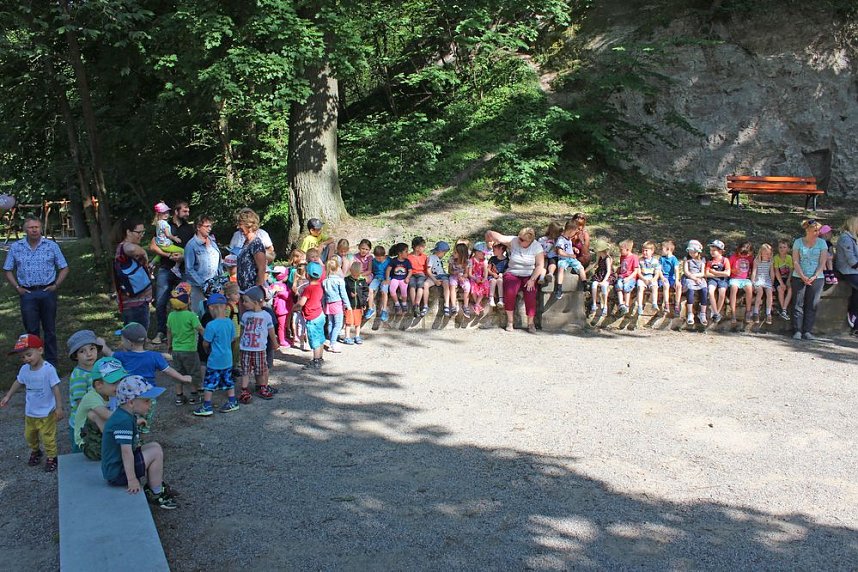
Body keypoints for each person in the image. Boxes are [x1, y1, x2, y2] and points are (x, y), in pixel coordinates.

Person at [101, 376, 176, 509]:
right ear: (130, 402)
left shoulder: (124, 415)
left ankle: (155, 486)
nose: (150, 403)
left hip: (117, 466)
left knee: (155, 446)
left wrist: (136, 422)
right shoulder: (122, 421)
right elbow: (126, 452)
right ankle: (156, 493)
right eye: (146, 401)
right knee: (155, 452)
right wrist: (131, 479)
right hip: (118, 473)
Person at [3, 216, 69, 365]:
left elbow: (64, 267)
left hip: (47, 292)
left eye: (37, 227)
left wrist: (56, 285)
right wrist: (17, 288)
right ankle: (34, 361)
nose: (34, 230)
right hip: (28, 294)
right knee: (31, 329)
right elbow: (7, 269)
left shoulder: (51, 246)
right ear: (25, 230)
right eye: (31, 227)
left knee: (49, 328)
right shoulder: (16, 247)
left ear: (41, 228)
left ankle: (51, 362)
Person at [0, 334, 64, 472]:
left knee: (48, 436)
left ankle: (52, 457)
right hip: (30, 412)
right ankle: (36, 451)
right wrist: (8, 396)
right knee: (30, 435)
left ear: (40, 350)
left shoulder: (48, 369)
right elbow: (18, 382)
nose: (26, 359)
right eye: (22, 357)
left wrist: (59, 407)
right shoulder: (24, 369)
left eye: (29, 355)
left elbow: (56, 388)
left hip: (47, 412)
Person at [114, 322, 192, 432]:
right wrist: (183, 378)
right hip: (148, 395)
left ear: (129, 342)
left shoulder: (121, 356)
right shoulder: (154, 356)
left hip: (129, 395)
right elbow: (168, 370)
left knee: (128, 420)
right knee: (144, 423)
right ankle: (141, 435)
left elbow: (109, 354)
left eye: (122, 339)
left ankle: (131, 437)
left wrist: (102, 344)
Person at [484, 227, 545, 333]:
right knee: (510, 293)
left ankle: (531, 323)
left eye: (522, 240)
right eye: (519, 238)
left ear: (529, 240)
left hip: (529, 274)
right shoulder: (514, 240)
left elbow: (540, 265)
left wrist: (532, 279)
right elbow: (494, 235)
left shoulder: (536, 246)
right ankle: (510, 322)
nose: (519, 240)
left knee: (531, 295)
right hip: (513, 273)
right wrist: (488, 238)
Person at [149, 201, 194, 345]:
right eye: (185, 211)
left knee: (184, 301)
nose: (187, 214)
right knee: (161, 301)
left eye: (188, 211)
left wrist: (183, 257)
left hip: (184, 269)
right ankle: (161, 332)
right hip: (165, 268)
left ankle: (183, 333)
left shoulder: (190, 229)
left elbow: (193, 249)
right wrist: (167, 255)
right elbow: (153, 246)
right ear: (176, 211)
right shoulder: (164, 225)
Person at [67, 330, 113, 452]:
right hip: (83, 421)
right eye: (82, 351)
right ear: (75, 356)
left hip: (97, 415)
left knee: (98, 447)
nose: (89, 354)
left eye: (92, 349)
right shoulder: (79, 376)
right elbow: (80, 402)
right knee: (83, 449)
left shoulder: (98, 369)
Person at [72, 356, 126, 460]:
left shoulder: (111, 393)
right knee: (95, 414)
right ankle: (111, 445)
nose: (120, 386)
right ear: (99, 384)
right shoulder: (91, 397)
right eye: (115, 382)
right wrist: (131, 418)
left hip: (100, 434)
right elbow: (107, 415)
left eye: (121, 381)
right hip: (88, 442)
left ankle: (113, 444)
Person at [195, 293, 240, 415]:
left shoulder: (211, 325)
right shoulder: (230, 322)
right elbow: (233, 338)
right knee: (228, 381)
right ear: (225, 307)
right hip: (227, 359)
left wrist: (207, 349)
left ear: (210, 308)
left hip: (214, 360)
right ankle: (232, 401)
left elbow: (206, 342)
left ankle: (207, 405)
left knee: (209, 383)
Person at [238, 286, 278, 400]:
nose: (244, 303)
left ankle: (262, 387)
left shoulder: (266, 316)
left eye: (246, 301)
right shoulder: (245, 315)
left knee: (261, 369)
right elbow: (242, 330)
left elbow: (271, 330)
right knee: (245, 370)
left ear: (255, 302)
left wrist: (275, 343)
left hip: (259, 349)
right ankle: (244, 389)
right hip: (246, 348)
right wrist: (240, 342)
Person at [167, 283, 204, 405]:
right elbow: (200, 329)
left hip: (176, 351)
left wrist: (169, 345)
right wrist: (209, 338)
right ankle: (194, 396)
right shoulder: (191, 316)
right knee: (193, 373)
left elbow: (169, 332)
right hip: (190, 351)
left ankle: (179, 397)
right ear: (188, 301)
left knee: (178, 374)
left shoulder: (171, 316)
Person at [791, 219, 828, 340]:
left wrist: (814, 276)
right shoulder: (798, 242)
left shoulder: (822, 243)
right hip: (799, 276)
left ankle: (807, 331)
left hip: (817, 278)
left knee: (812, 304)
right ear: (808, 230)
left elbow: (823, 262)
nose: (817, 233)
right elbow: (795, 261)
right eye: (815, 230)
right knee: (798, 303)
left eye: (818, 230)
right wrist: (802, 276)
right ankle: (797, 330)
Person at [115, 218, 153, 332]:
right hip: (135, 306)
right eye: (138, 232)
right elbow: (131, 248)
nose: (141, 235)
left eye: (143, 232)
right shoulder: (125, 246)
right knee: (137, 341)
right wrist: (144, 253)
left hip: (140, 303)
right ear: (128, 232)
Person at [184, 215, 222, 311]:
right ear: (198, 227)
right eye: (207, 226)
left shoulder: (213, 243)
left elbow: (218, 263)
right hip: (198, 288)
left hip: (215, 286)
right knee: (199, 315)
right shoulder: (191, 245)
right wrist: (204, 284)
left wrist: (220, 279)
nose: (209, 229)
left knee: (214, 313)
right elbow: (189, 269)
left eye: (210, 226)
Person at [294, 261, 326, 370]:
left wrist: (295, 307)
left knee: (314, 339)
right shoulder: (320, 286)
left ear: (307, 274)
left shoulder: (308, 288)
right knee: (320, 337)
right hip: (320, 314)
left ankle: (316, 360)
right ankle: (320, 358)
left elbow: (302, 303)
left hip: (312, 317)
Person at [236, 209, 269, 292]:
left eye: (240, 224)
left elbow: (262, 267)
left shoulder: (256, 243)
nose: (238, 227)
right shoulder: (246, 243)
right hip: (243, 289)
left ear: (249, 225)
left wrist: (257, 289)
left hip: (252, 289)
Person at [554, 221, 588, 300]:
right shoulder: (561, 240)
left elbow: (567, 248)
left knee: (580, 267)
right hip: (564, 259)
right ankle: (559, 287)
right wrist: (570, 255)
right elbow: (560, 251)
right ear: (570, 230)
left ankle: (585, 283)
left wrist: (573, 249)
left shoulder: (569, 239)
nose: (574, 235)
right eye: (574, 232)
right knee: (561, 268)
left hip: (571, 259)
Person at [835, 216, 858, 335]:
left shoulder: (853, 238)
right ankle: (853, 316)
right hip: (847, 271)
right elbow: (852, 261)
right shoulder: (846, 239)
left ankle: (855, 320)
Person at [323, 259, 351, 352]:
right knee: (338, 324)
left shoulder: (325, 281)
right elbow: (343, 294)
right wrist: (347, 304)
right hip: (337, 303)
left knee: (331, 323)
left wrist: (323, 305)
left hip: (328, 304)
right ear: (337, 268)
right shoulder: (339, 281)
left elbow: (323, 295)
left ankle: (331, 340)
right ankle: (333, 343)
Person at [150, 202, 184, 272]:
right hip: (165, 244)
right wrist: (174, 238)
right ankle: (176, 268)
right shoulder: (164, 223)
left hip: (160, 243)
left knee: (160, 254)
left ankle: (151, 264)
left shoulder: (158, 222)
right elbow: (168, 235)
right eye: (164, 213)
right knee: (182, 251)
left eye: (167, 212)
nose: (166, 214)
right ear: (159, 214)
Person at [728, 241, 755, 326]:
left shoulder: (750, 258)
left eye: (746, 255)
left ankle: (748, 311)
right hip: (734, 278)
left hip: (745, 279)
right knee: (734, 288)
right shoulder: (733, 257)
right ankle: (733, 312)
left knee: (749, 287)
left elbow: (752, 267)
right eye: (742, 254)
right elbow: (728, 268)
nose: (744, 256)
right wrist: (734, 270)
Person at [683, 240, 708, 326]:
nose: (692, 253)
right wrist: (693, 277)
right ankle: (690, 313)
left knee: (704, 290)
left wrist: (697, 277)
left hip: (699, 277)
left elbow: (702, 272)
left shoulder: (702, 260)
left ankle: (703, 313)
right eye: (690, 252)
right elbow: (686, 271)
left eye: (694, 252)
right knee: (690, 290)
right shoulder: (687, 259)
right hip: (689, 277)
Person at [343, 262, 369, 345]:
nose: (355, 277)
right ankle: (347, 337)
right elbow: (344, 291)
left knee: (358, 322)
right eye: (354, 275)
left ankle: (357, 336)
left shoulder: (362, 280)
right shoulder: (347, 280)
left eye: (357, 275)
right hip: (349, 305)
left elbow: (365, 292)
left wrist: (364, 303)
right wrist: (350, 294)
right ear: (351, 271)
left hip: (358, 306)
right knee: (348, 322)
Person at [705, 239, 730, 323]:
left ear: (720, 251)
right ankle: (716, 313)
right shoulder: (710, 261)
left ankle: (716, 312)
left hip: (722, 280)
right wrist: (720, 274)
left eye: (714, 250)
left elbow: (727, 273)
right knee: (711, 291)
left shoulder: (725, 260)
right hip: (712, 280)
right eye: (711, 250)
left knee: (722, 292)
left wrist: (715, 272)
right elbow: (707, 274)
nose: (711, 252)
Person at [635, 240, 662, 315]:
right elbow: (638, 272)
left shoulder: (655, 261)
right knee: (640, 288)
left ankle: (654, 303)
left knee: (654, 287)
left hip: (651, 277)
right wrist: (643, 279)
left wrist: (653, 279)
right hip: (642, 277)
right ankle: (639, 306)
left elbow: (657, 273)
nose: (644, 252)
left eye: (646, 251)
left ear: (652, 251)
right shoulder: (640, 260)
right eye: (643, 251)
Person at [386, 243, 413, 316]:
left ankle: (404, 303)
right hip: (395, 278)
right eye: (406, 251)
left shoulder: (407, 261)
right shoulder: (394, 261)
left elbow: (410, 271)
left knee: (404, 292)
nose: (408, 253)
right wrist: (388, 279)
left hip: (403, 279)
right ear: (400, 253)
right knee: (392, 290)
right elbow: (388, 270)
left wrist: (407, 277)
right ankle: (397, 303)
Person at [589, 239, 613, 318]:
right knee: (594, 284)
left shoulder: (607, 259)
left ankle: (605, 305)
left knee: (604, 286)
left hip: (606, 276)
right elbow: (595, 264)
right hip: (600, 274)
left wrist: (603, 280)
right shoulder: (599, 256)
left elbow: (609, 271)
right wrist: (585, 271)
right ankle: (594, 304)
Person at [752, 243, 775, 324]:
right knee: (760, 292)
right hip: (758, 279)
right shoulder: (757, 260)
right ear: (761, 252)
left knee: (769, 293)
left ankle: (768, 313)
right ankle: (755, 312)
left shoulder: (770, 261)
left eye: (769, 253)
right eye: (766, 253)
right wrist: (753, 283)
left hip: (767, 280)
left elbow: (772, 273)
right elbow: (754, 272)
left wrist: (772, 284)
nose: (768, 255)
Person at [614, 240, 638, 315]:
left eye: (621, 250)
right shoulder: (622, 257)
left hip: (630, 277)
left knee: (626, 287)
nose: (620, 251)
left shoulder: (634, 257)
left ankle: (627, 305)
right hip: (622, 277)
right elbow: (621, 267)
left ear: (628, 249)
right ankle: (621, 304)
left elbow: (636, 271)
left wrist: (629, 278)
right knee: (618, 285)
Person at [366, 245, 390, 321]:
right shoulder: (374, 261)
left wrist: (387, 279)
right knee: (370, 289)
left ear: (384, 255)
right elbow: (372, 270)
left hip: (386, 278)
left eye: (381, 258)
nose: (379, 259)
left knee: (384, 291)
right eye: (377, 258)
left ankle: (384, 310)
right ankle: (370, 309)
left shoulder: (389, 260)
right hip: (377, 278)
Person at [427, 241, 452, 315]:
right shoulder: (432, 257)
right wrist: (435, 280)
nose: (444, 255)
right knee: (426, 285)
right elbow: (429, 270)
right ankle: (426, 304)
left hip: (442, 276)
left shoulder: (439, 259)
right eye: (444, 253)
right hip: (435, 276)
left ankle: (446, 305)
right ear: (440, 251)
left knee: (446, 284)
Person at [658, 240, 682, 316]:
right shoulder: (661, 259)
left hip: (672, 277)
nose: (661, 251)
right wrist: (662, 277)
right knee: (666, 285)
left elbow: (676, 270)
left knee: (679, 286)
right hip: (664, 277)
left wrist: (677, 280)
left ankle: (677, 305)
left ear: (668, 249)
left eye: (662, 249)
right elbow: (659, 269)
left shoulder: (674, 259)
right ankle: (666, 304)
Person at [407, 237, 430, 317]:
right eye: (422, 246)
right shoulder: (408, 257)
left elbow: (426, 268)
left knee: (420, 286)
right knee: (412, 286)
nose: (424, 248)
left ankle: (417, 303)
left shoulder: (424, 257)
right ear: (416, 247)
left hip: (421, 275)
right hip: (411, 274)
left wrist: (427, 276)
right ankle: (414, 306)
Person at [448, 243, 471, 316]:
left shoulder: (467, 261)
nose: (453, 253)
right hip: (454, 275)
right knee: (452, 284)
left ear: (461, 254)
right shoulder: (452, 259)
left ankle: (466, 306)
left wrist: (463, 277)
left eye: (455, 252)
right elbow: (450, 271)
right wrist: (456, 273)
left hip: (463, 276)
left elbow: (467, 273)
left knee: (467, 286)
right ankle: (453, 306)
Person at [773, 239, 793, 320]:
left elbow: (791, 270)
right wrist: (781, 283)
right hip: (778, 279)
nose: (782, 249)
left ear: (788, 249)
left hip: (787, 278)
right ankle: (783, 309)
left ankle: (784, 309)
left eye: (784, 247)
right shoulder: (776, 258)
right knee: (780, 289)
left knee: (790, 289)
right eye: (780, 247)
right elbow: (777, 272)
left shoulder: (789, 258)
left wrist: (788, 280)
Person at [469, 242, 491, 315]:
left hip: (481, 278)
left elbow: (485, 272)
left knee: (485, 286)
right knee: (473, 287)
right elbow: (469, 273)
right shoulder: (471, 260)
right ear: (477, 252)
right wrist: (475, 278)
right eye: (483, 253)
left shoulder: (484, 261)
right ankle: (477, 304)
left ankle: (477, 304)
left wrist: (484, 279)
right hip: (473, 277)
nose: (484, 255)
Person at [487, 243, 508, 308]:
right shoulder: (492, 258)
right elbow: (488, 269)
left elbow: (507, 270)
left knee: (500, 281)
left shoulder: (506, 260)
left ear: (501, 249)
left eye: (494, 249)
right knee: (493, 281)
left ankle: (501, 300)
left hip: (501, 277)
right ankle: (491, 298)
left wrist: (502, 274)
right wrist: (493, 274)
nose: (493, 251)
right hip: (492, 276)